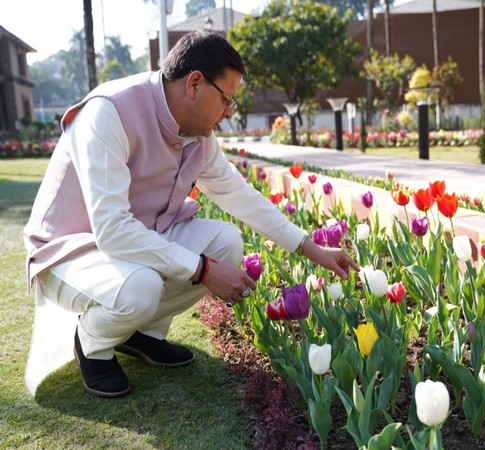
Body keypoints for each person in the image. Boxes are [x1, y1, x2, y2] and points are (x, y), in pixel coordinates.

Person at [23, 30, 359, 398]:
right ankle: (92, 342)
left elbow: (238, 193)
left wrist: (314, 250)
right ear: (195, 83)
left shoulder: (198, 134)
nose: (229, 113)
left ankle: (142, 334)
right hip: (69, 253)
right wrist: (202, 270)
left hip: (134, 243)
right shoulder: (110, 111)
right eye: (227, 99)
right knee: (143, 286)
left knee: (226, 242)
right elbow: (113, 231)